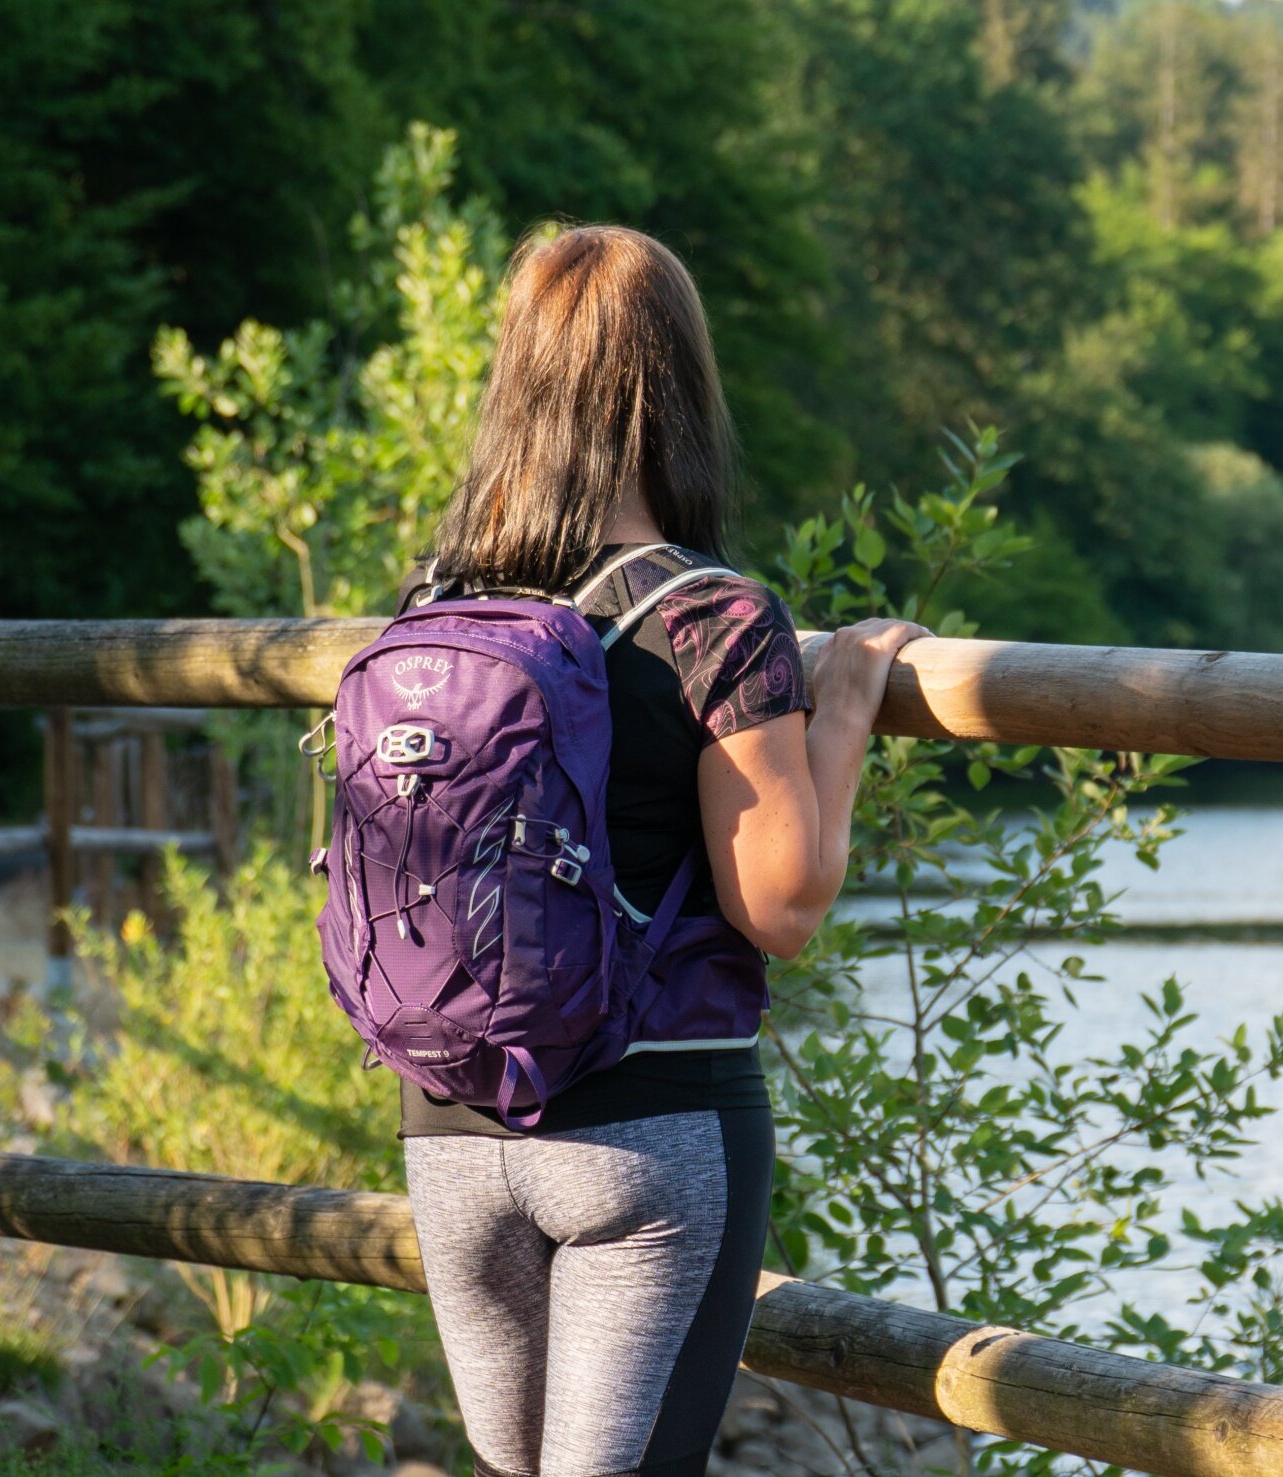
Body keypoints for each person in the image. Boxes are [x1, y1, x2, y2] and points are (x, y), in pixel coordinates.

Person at [395, 223, 926, 1477]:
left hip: (449, 1126)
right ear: (678, 388)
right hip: (651, 1127)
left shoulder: (436, 599)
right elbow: (781, 903)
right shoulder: (708, 617)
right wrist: (841, 713)